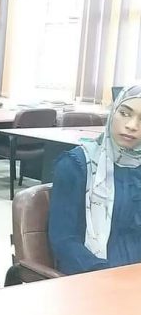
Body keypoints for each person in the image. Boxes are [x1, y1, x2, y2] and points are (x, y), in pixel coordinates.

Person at [49, 85, 141, 275]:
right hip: (91, 274)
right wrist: (104, 273)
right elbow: (63, 240)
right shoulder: (77, 165)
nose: (132, 126)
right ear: (113, 112)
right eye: (124, 113)